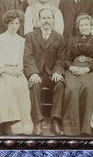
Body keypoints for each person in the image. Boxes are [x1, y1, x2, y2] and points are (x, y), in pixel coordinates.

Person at [24, 8, 66, 136]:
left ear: (53, 20)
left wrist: (58, 72)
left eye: (49, 18)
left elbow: (61, 59)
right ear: (39, 20)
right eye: (44, 18)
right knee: (34, 85)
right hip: (37, 73)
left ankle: (55, 120)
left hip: (52, 73)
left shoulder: (60, 38)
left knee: (60, 84)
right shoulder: (31, 36)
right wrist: (33, 73)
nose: (46, 21)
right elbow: (28, 56)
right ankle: (38, 121)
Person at [63, 14, 93, 136]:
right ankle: (72, 128)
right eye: (81, 25)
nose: (84, 27)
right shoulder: (72, 39)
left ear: (91, 26)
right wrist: (71, 67)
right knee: (72, 88)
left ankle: (87, 127)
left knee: (88, 87)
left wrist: (86, 69)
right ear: (78, 27)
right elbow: (66, 59)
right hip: (74, 68)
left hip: (90, 70)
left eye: (86, 24)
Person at [0, 10, 33, 135]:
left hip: (16, 71)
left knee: (22, 86)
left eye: (16, 23)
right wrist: (7, 71)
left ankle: (24, 124)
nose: (14, 26)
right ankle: (11, 126)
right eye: (11, 23)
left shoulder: (21, 40)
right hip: (4, 71)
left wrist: (19, 70)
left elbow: (22, 59)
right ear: (7, 24)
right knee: (8, 87)